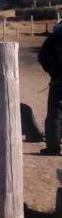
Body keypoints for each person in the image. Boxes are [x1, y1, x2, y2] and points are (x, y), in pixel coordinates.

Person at [38, 23, 62, 155]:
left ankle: (53, 147)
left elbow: (42, 56)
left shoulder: (57, 35)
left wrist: (54, 72)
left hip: (59, 80)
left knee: (55, 115)